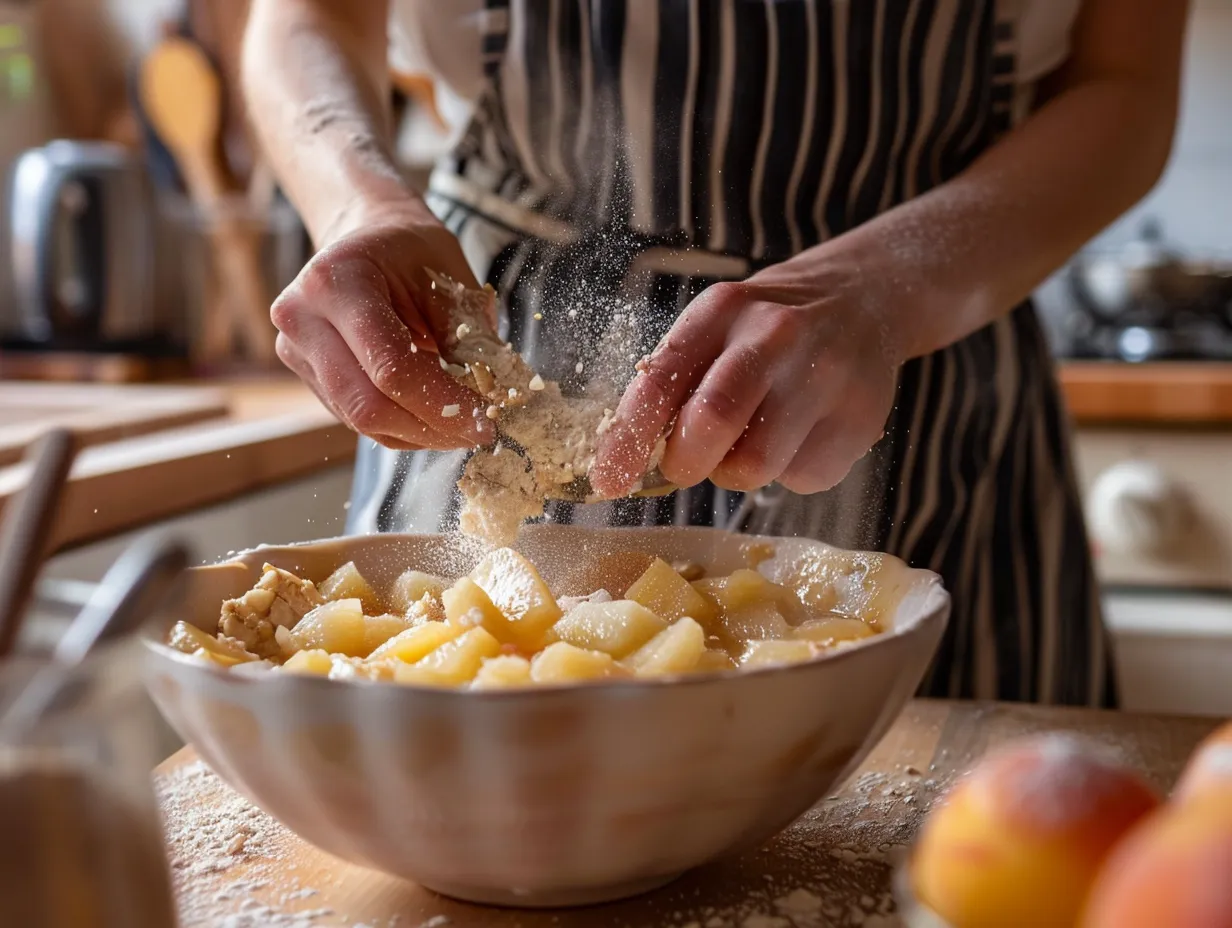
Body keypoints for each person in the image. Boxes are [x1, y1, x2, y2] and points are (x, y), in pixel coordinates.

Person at [243, 0, 1188, 706]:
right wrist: (361, 201)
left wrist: (886, 285)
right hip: (487, 333)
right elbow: (304, 18)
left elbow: (1127, 88)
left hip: (917, 358)